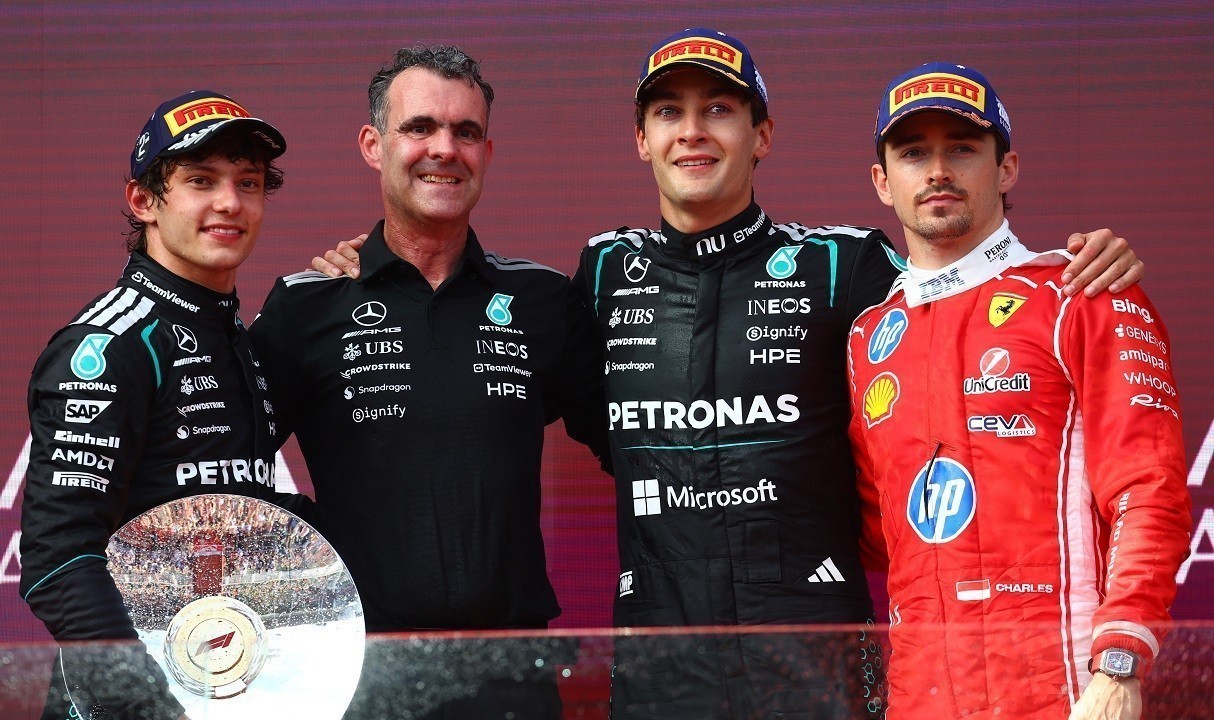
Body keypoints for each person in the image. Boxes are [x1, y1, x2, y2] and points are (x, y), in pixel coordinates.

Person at [315, 31, 1145, 720]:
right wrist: (371, 266)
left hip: (815, 654)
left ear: (763, 134)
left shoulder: (843, 263)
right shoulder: (604, 272)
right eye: (669, 112)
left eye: (719, 109)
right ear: (641, 140)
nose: (693, 132)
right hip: (661, 662)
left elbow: (960, 284)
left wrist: (1071, 263)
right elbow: (468, 354)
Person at [248, 46, 609, 719]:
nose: (444, 149)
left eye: (465, 132)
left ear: (487, 152)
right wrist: (313, 555)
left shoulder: (541, 299)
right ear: (372, 144)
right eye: (419, 128)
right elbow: (224, 470)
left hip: (512, 677)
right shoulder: (309, 304)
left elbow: (637, 442)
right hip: (359, 676)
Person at [847, 62, 1191, 719]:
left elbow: (1149, 488)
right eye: (915, 153)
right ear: (883, 182)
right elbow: (873, 530)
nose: (939, 170)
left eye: (964, 149)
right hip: (920, 696)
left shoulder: (1082, 290)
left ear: (1006, 169)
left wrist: (1119, 662)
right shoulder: (869, 337)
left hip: (1063, 690)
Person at [21, 90, 295, 720]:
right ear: (142, 200)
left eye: (248, 183)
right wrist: (146, 705)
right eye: (201, 181)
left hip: (221, 683)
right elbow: (58, 555)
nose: (230, 203)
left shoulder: (237, 342)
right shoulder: (110, 344)